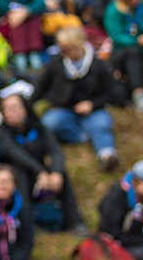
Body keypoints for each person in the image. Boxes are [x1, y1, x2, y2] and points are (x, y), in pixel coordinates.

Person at [31, 26, 119, 170]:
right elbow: (41, 88)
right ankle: (82, 136)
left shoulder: (97, 65)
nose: (63, 53)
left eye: (66, 49)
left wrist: (92, 104)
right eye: (61, 49)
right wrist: (26, 105)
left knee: (101, 124)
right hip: (65, 109)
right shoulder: (56, 63)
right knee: (49, 123)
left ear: (77, 46)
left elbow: (111, 93)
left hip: (93, 110)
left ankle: (107, 154)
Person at [0, 92, 85, 234]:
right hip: (18, 173)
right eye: (5, 109)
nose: (8, 113)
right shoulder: (2, 130)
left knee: (62, 174)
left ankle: (75, 222)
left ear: (25, 110)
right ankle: (26, 227)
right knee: (19, 174)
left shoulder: (38, 127)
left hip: (39, 174)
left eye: (13, 108)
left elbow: (55, 150)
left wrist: (56, 171)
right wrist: (39, 171)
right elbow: (15, 153)